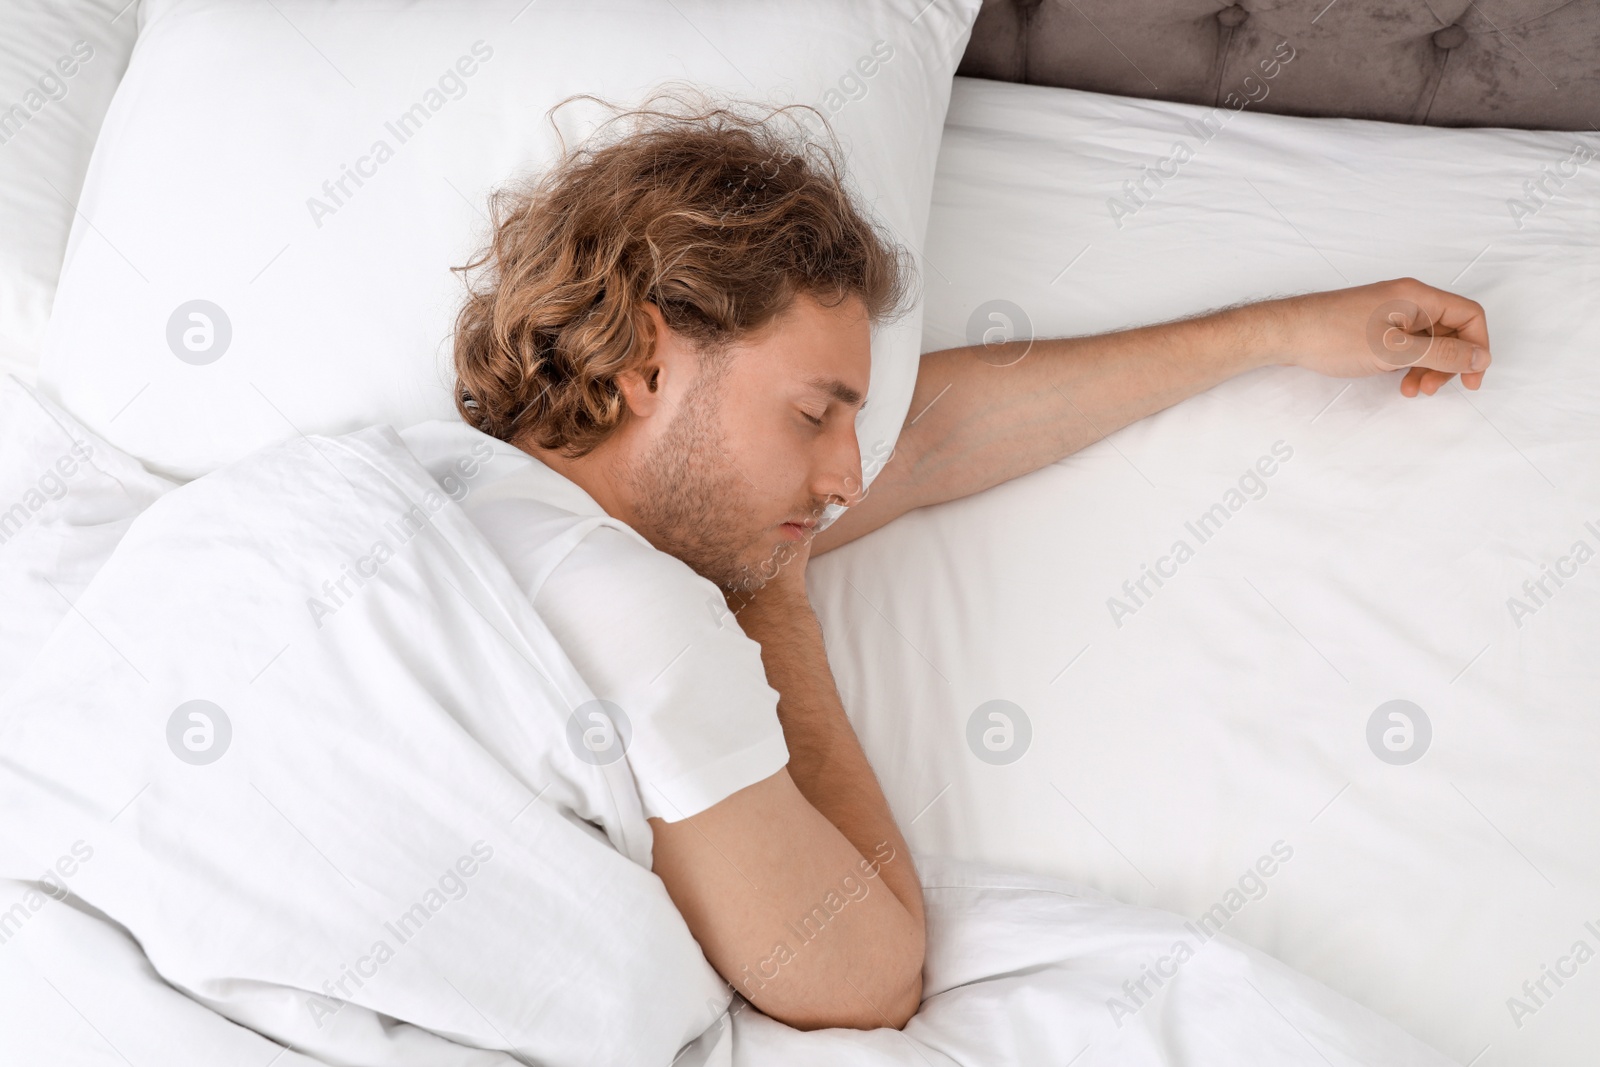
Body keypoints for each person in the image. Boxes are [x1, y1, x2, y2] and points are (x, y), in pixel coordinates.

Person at [448, 98, 1491, 1033]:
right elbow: (860, 975)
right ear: (645, 362)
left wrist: (1280, 332)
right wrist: (777, 601)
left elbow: (935, 442)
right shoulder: (635, 610)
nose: (848, 478)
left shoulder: (415, 484)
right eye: (815, 414)